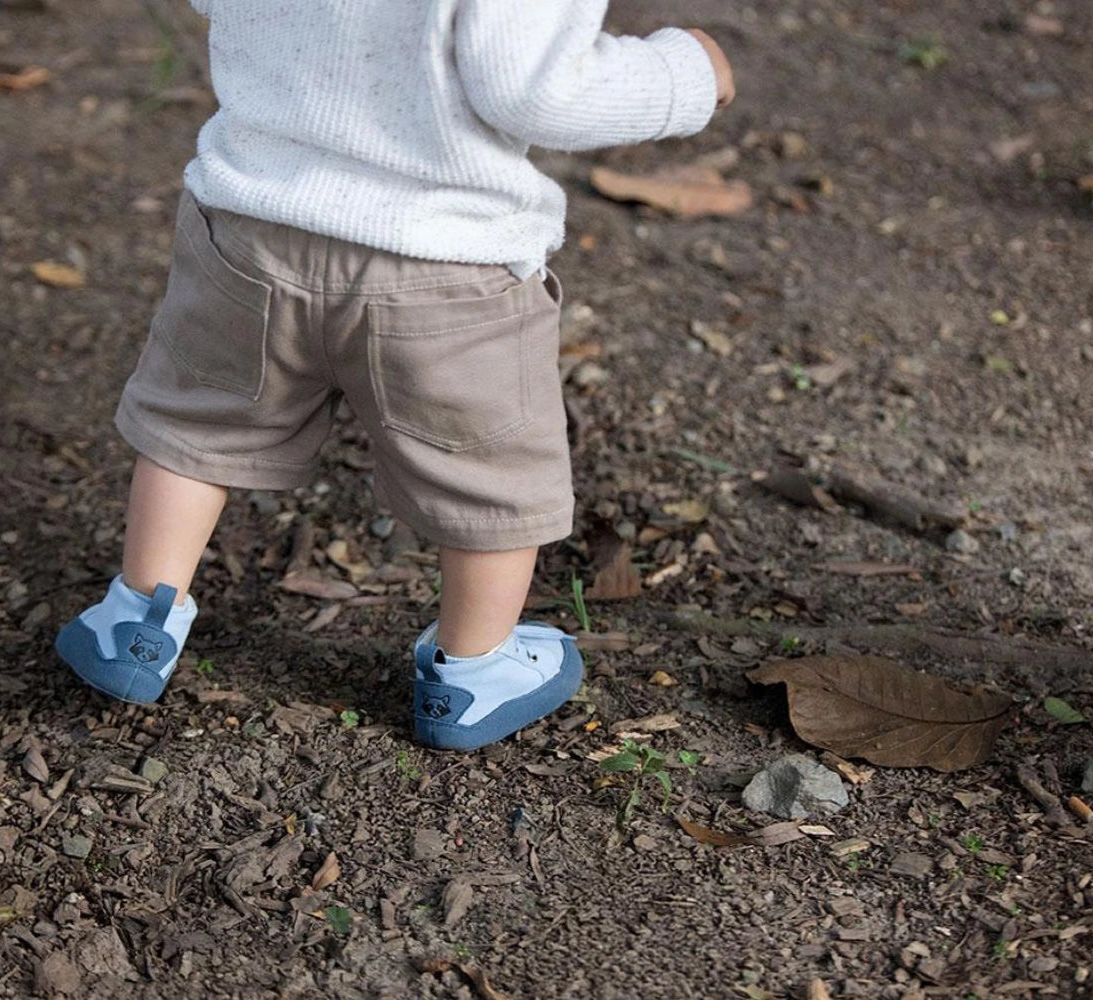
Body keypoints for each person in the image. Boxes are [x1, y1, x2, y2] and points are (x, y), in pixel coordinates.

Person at [56, 0, 736, 751]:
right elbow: (538, 90)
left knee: (198, 425)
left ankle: (136, 623)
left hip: (252, 226)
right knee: (485, 473)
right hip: (444, 261)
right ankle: (474, 669)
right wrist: (682, 76)